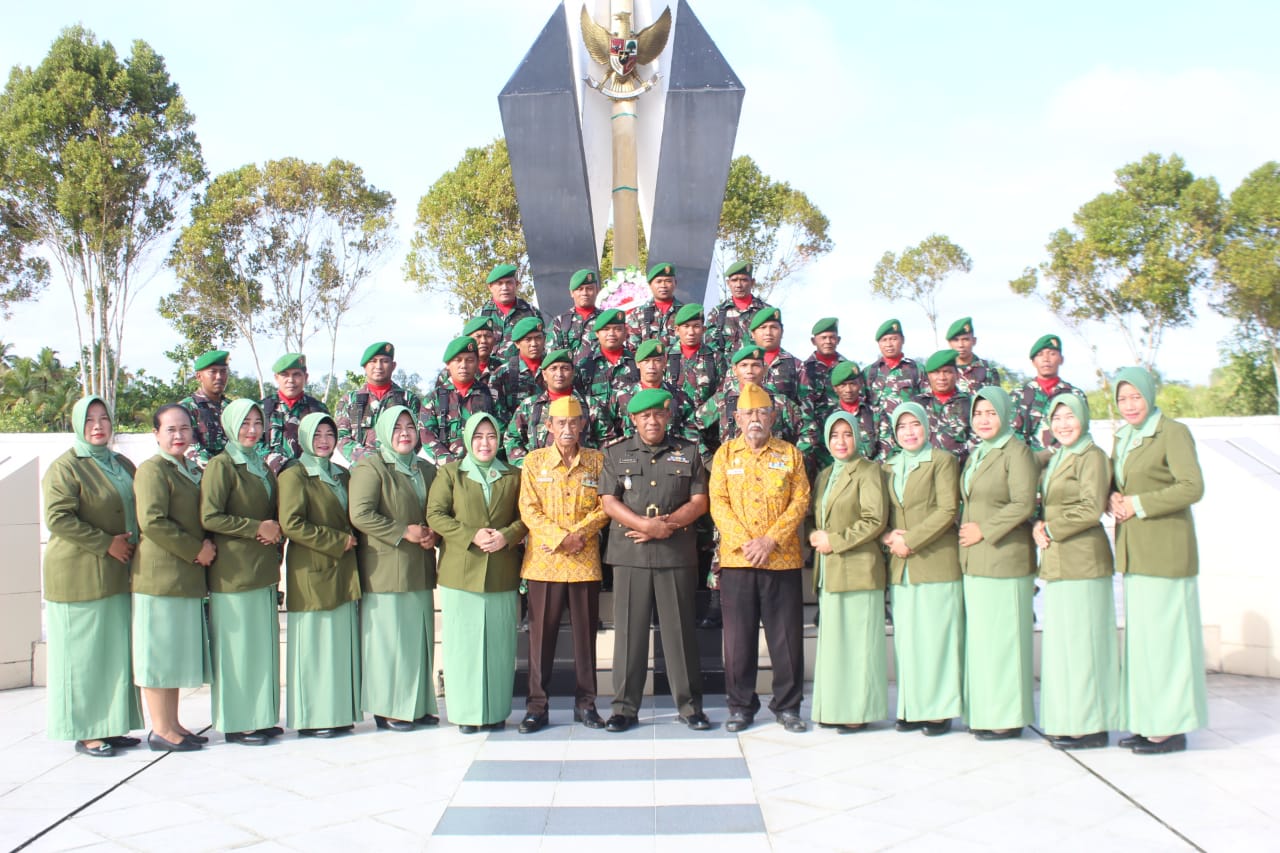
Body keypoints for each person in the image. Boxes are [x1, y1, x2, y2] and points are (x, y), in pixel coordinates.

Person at [600, 389, 711, 732]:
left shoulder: (688, 452)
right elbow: (608, 501)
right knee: (630, 635)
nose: (652, 421)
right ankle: (624, 708)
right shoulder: (615, 453)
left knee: (679, 634)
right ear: (633, 419)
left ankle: (690, 706)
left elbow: (700, 501)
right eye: (644, 416)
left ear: (667, 416)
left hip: (674, 552)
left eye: (658, 415)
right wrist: (644, 525)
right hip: (630, 554)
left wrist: (667, 526)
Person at [1110, 367, 1206, 755]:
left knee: (1168, 644)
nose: (1130, 405)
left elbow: (1192, 486)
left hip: (1166, 551)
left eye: (1136, 396)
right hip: (1136, 552)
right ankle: (1150, 721)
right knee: (1146, 645)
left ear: (1150, 395)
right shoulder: (1124, 437)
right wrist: (1114, 499)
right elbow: (1121, 486)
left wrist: (1139, 504)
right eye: (1122, 398)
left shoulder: (1173, 432)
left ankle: (1170, 727)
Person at [42, 396, 145, 757]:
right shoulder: (66, 467)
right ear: (77, 425)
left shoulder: (122, 464)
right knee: (82, 656)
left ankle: (112, 725)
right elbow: (58, 518)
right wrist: (105, 544)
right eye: (90, 421)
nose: (98, 426)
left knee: (113, 654)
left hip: (118, 574)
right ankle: (86, 731)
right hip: (79, 576)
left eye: (103, 419)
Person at [710, 382, 812, 733]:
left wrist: (770, 540)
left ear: (773, 416)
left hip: (781, 558)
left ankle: (788, 707)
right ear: (736, 417)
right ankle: (740, 706)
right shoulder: (724, 455)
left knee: (785, 639)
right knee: (738, 640)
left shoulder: (790, 454)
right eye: (748, 413)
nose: (755, 418)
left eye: (762, 412)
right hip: (739, 561)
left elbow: (800, 501)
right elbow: (718, 503)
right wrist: (746, 543)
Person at [427, 413, 528, 733]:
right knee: (463, 647)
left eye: (491, 437)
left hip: (501, 571)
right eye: (478, 437)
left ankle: (496, 711)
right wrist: (470, 534)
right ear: (468, 440)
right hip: (461, 573)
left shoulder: (514, 475)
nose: (485, 443)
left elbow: (527, 516)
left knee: (499, 646)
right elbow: (436, 515)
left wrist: (507, 536)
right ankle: (466, 714)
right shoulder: (450, 473)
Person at [516, 397, 610, 732]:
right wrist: (559, 537)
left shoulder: (598, 461)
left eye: (573, 422)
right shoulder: (534, 461)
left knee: (586, 637)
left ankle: (586, 704)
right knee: (540, 639)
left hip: (583, 560)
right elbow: (528, 508)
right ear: (549, 426)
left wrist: (577, 535)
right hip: (545, 562)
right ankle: (537, 706)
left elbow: (606, 505)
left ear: (583, 424)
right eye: (560, 423)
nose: (567, 429)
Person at [1033, 394, 1119, 750]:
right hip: (1060, 562)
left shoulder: (1092, 456)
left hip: (1084, 559)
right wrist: (1039, 524)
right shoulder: (1058, 457)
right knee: (1067, 646)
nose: (1064, 424)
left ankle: (1093, 725)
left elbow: (1090, 507)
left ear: (1084, 419)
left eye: (1070, 417)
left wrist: (1050, 528)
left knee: (1086, 646)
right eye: (1058, 418)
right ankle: (1072, 720)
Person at [348, 406, 440, 731]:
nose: (404, 432)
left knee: (417, 641)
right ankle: (389, 708)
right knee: (389, 642)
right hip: (386, 570)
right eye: (397, 427)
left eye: (410, 426)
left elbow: (439, 511)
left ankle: (417, 705)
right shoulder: (371, 467)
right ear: (384, 431)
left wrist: (433, 534)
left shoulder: (426, 469)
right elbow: (360, 514)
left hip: (419, 566)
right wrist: (403, 532)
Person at [132, 404, 216, 752]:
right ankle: (160, 729)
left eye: (184, 428)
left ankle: (173, 723)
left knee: (171, 655)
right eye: (170, 429)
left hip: (184, 576)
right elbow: (153, 522)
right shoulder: (152, 471)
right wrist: (196, 550)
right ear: (156, 434)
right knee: (158, 655)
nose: (179, 435)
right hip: (160, 575)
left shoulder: (189, 469)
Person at [201, 399, 283, 746]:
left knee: (260, 649)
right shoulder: (222, 466)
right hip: (234, 572)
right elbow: (210, 516)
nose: (251, 430)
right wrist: (256, 528)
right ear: (231, 426)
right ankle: (238, 721)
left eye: (256, 423)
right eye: (244, 423)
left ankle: (260, 717)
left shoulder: (261, 466)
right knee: (236, 650)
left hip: (262, 570)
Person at [958, 386, 1039, 740]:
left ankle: (1007, 717)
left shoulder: (1016, 451)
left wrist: (983, 530)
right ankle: (988, 712)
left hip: (1005, 558)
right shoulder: (979, 452)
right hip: (977, 561)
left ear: (1006, 414)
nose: (984, 420)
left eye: (991, 413)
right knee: (986, 643)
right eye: (978, 413)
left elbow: (1024, 503)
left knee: (1006, 642)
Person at [278, 413, 362, 739]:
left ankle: (339, 712)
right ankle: (312, 716)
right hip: (311, 569)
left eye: (329, 434)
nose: (324, 440)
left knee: (338, 645)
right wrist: (337, 541)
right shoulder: (294, 475)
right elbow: (292, 523)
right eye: (317, 434)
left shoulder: (341, 474)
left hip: (342, 570)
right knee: (313, 646)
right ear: (303, 438)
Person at [882, 402, 964, 736]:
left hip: (935, 562)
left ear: (926, 427)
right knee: (909, 641)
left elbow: (947, 510)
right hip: (901, 566)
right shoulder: (888, 466)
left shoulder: (942, 461)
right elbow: (882, 512)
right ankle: (912, 708)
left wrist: (911, 539)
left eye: (915, 425)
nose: (909, 432)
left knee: (937, 639)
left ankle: (939, 710)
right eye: (902, 427)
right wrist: (888, 536)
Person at [808, 412, 889, 733]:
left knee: (858, 645)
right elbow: (820, 517)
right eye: (834, 435)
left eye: (847, 434)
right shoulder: (826, 474)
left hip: (858, 568)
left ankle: (858, 710)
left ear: (858, 436)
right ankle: (835, 707)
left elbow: (874, 519)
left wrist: (835, 541)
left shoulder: (869, 471)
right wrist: (815, 534)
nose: (841, 442)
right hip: (831, 570)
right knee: (836, 646)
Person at [504, 348, 605, 465]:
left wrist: (594, 465)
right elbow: (511, 438)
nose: (559, 374)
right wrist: (527, 465)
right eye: (553, 368)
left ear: (573, 373)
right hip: (541, 476)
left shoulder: (590, 405)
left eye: (565, 368)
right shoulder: (529, 406)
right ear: (544, 374)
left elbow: (606, 440)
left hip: (582, 472)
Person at [335, 342, 423, 465]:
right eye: (373, 361)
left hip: (398, 468)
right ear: (365, 366)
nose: (379, 366)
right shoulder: (349, 400)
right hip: (362, 468)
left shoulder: (407, 399)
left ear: (393, 366)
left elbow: (418, 436)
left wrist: (395, 458)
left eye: (384, 361)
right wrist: (367, 459)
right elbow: (341, 437)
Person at [419, 336, 497, 465]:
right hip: (445, 469)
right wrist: (452, 464)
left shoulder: (491, 395)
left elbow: (499, 431)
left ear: (477, 363)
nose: (464, 365)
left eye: (469, 360)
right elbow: (428, 436)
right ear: (448, 364)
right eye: (458, 360)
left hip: (482, 465)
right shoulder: (433, 399)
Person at [1011, 334, 1089, 461]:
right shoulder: (1019, 395)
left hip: (1067, 462)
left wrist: (1050, 454)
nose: (1046, 359)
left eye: (1052, 354)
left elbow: (1081, 431)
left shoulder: (1075, 395)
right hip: (1028, 464)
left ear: (1061, 359)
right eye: (1040, 355)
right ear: (1033, 362)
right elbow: (1013, 434)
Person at [610, 339, 699, 447]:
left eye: (657, 360)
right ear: (638, 364)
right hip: (632, 458)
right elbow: (609, 434)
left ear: (665, 363)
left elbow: (692, 438)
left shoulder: (679, 398)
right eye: (646, 361)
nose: (651, 366)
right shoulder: (622, 397)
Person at [262, 353, 329, 475]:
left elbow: (327, 444)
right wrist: (278, 463)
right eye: (285, 375)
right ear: (276, 378)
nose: (291, 380)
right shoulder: (263, 409)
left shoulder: (318, 410)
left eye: (296, 374)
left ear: (306, 377)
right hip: (269, 478)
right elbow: (253, 445)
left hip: (308, 477)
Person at [705, 260, 772, 371]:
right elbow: (711, 348)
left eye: (744, 280)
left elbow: (772, 345)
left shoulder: (765, 311)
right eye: (734, 280)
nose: (739, 285)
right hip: (729, 379)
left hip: (761, 376)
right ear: (728, 283)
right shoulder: (717, 314)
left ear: (752, 282)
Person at [911, 349, 975, 465]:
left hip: (958, 471)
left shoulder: (969, 403)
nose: (942, 377)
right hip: (923, 470)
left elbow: (977, 440)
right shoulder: (917, 404)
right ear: (928, 376)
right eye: (936, 372)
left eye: (947, 372)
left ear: (956, 374)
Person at [477, 263, 544, 360]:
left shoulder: (531, 312)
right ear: (490, 287)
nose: (504, 288)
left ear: (516, 284)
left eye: (509, 283)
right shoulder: (481, 315)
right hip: (492, 372)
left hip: (523, 372)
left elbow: (542, 345)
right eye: (499, 283)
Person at [178, 349, 231, 469]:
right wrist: (220, 471)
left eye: (223, 372)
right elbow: (190, 449)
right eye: (213, 372)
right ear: (199, 376)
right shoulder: (186, 408)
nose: (219, 377)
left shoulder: (232, 408)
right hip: (203, 477)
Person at [864, 319, 924, 422]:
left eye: (893, 339)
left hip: (907, 433)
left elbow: (927, 403)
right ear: (879, 343)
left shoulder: (917, 370)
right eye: (884, 340)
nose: (889, 344)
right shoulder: (869, 372)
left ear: (903, 340)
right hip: (878, 435)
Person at [490, 316, 548, 421]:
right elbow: (498, 416)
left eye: (538, 338)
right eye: (528, 339)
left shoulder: (555, 369)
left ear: (544, 340)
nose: (534, 344)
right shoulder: (502, 374)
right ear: (517, 344)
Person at [574, 308, 639, 401]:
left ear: (625, 332)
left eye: (617, 329)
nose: (611, 334)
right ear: (597, 333)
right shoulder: (584, 366)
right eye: (606, 329)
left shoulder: (637, 364)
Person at [665, 303, 721, 408]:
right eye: (686, 326)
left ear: (704, 330)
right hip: (673, 420)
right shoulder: (665, 357)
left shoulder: (715, 357)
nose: (691, 332)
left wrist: (700, 418)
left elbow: (722, 392)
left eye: (696, 326)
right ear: (677, 330)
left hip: (705, 421)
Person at [799, 317, 848, 421]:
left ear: (838, 340)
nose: (828, 341)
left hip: (843, 426)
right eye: (823, 338)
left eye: (832, 337)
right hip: (814, 429)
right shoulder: (804, 369)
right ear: (813, 341)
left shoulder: (847, 369)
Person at [626, 262, 683, 348]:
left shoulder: (683, 312)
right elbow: (632, 347)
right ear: (650, 284)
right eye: (658, 281)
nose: (663, 285)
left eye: (668, 281)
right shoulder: (638, 314)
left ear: (675, 283)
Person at [549, 269, 602, 358]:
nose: (584, 293)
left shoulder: (605, 320)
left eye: (589, 288)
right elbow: (553, 357)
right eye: (579, 289)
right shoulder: (559, 322)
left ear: (597, 290)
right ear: (572, 293)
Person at [946, 317, 1001, 396]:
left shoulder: (988, 370)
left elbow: (995, 400)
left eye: (965, 339)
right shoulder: (943, 371)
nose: (961, 345)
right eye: (956, 340)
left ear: (974, 341)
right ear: (949, 343)